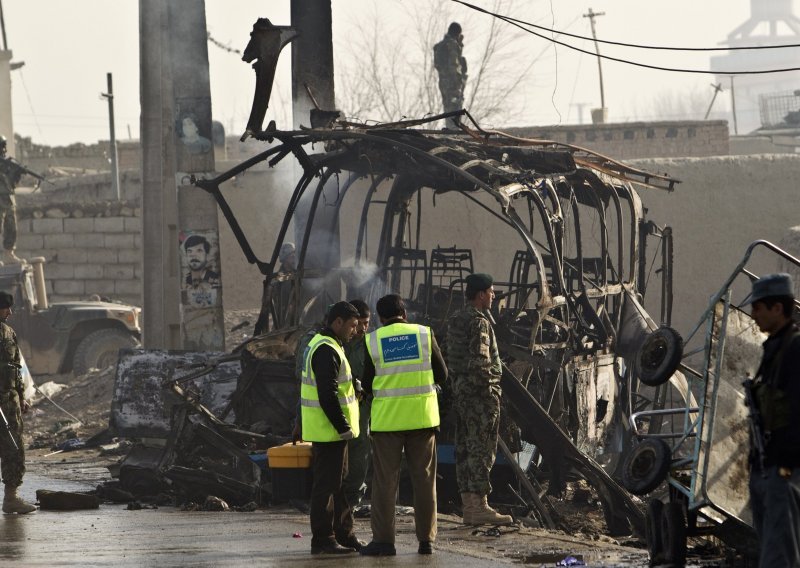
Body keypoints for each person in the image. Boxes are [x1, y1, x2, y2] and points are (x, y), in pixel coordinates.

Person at [359, 294, 448, 556]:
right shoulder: (423, 334)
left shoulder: (373, 340)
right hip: (423, 419)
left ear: (380, 317)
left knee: (385, 483)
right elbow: (442, 374)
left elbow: (366, 381)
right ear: (404, 314)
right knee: (425, 481)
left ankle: (385, 542)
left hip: (387, 423)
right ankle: (426, 541)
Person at [446, 273, 513, 525]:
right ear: (481, 294)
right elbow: (480, 363)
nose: (494, 296)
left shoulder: (455, 319)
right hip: (479, 398)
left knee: (464, 449)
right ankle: (480, 506)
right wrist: (490, 393)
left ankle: (469, 506)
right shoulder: (479, 323)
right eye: (491, 291)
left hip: (462, 394)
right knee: (482, 450)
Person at [300, 301, 365, 554]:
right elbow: (327, 394)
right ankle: (324, 539)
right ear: (337, 322)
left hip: (331, 432)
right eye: (351, 325)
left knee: (338, 484)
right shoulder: (326, 349)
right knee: (326, 486)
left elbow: (336, 387)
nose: (354, 331)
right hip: (329, 432)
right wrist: (342, 426)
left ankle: (344, 535)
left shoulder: (330, 345)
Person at [744, 273, 800, 566]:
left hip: (784, 471)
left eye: (758, 308)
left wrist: (785, 462)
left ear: (777, 308)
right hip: (767, 469)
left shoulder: (794, 350)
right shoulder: (774, 349)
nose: (753, 315)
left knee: (779, 557)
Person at [0, 291, 36, 514]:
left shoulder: (9, 332)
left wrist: (22, 398)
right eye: (6, 308)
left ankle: (11, 498)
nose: (10, 313)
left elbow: (16, 367)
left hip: (9, 403)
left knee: (13, 448)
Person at [342, 299, 372, 508]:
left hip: (362, 410)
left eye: (366, 323)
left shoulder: (371, 345)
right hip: (337, 407)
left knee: (360, 452)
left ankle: (353, 498)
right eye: (358, 323)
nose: (362, 329)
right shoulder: (336, 343)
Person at [433, 22, 467, 129]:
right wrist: (458, 83)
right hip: (452, 83)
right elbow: (454, 64)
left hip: (443, 82)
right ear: (457, 33)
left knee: (448, 108)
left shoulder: (440, 46)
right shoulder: (452, 44)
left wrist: (459, 45)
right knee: (455, 108)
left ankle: (450, 129)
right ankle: (453, 132)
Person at [0, 137, 26, 264]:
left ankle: (9, 254)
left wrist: (16, 174)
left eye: (4, 145)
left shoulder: (8, 163)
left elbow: (12, 184)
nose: (3, 149)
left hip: (8, 199)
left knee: (11, 228)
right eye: (1, 145)